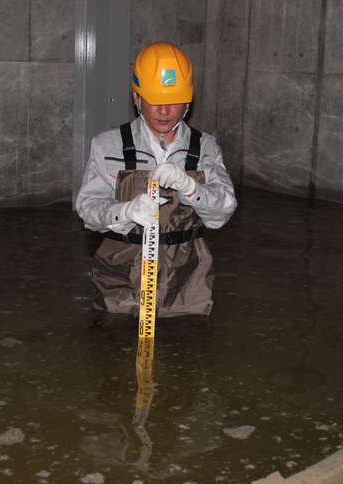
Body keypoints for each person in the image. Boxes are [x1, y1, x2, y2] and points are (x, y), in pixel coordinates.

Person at [76, 42, 237, 318]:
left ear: (188, 101)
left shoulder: (205, 147)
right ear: (136, 98)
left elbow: (222, 214)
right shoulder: (108, 146)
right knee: (110, 357)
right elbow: (88, 211)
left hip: (189, 292)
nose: (164, 110)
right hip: (120, 290)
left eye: (174, 100)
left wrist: (190, 187)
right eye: (153, 99)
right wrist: (124, 212)